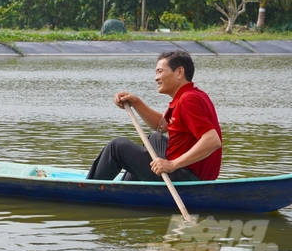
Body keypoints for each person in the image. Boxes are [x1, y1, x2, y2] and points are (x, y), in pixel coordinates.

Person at [86, 51, 222, 181]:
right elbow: (161, 126)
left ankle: (88, 190)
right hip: (189, 172)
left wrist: (172, 164)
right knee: (155, 138)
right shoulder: (191, 94)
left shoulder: (188, 100)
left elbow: (212, 141)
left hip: (186, 176)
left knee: (117, 147)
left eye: (160, 72)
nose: (156, 78)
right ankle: (127, 186)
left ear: (180, 72)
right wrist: (136, 102)